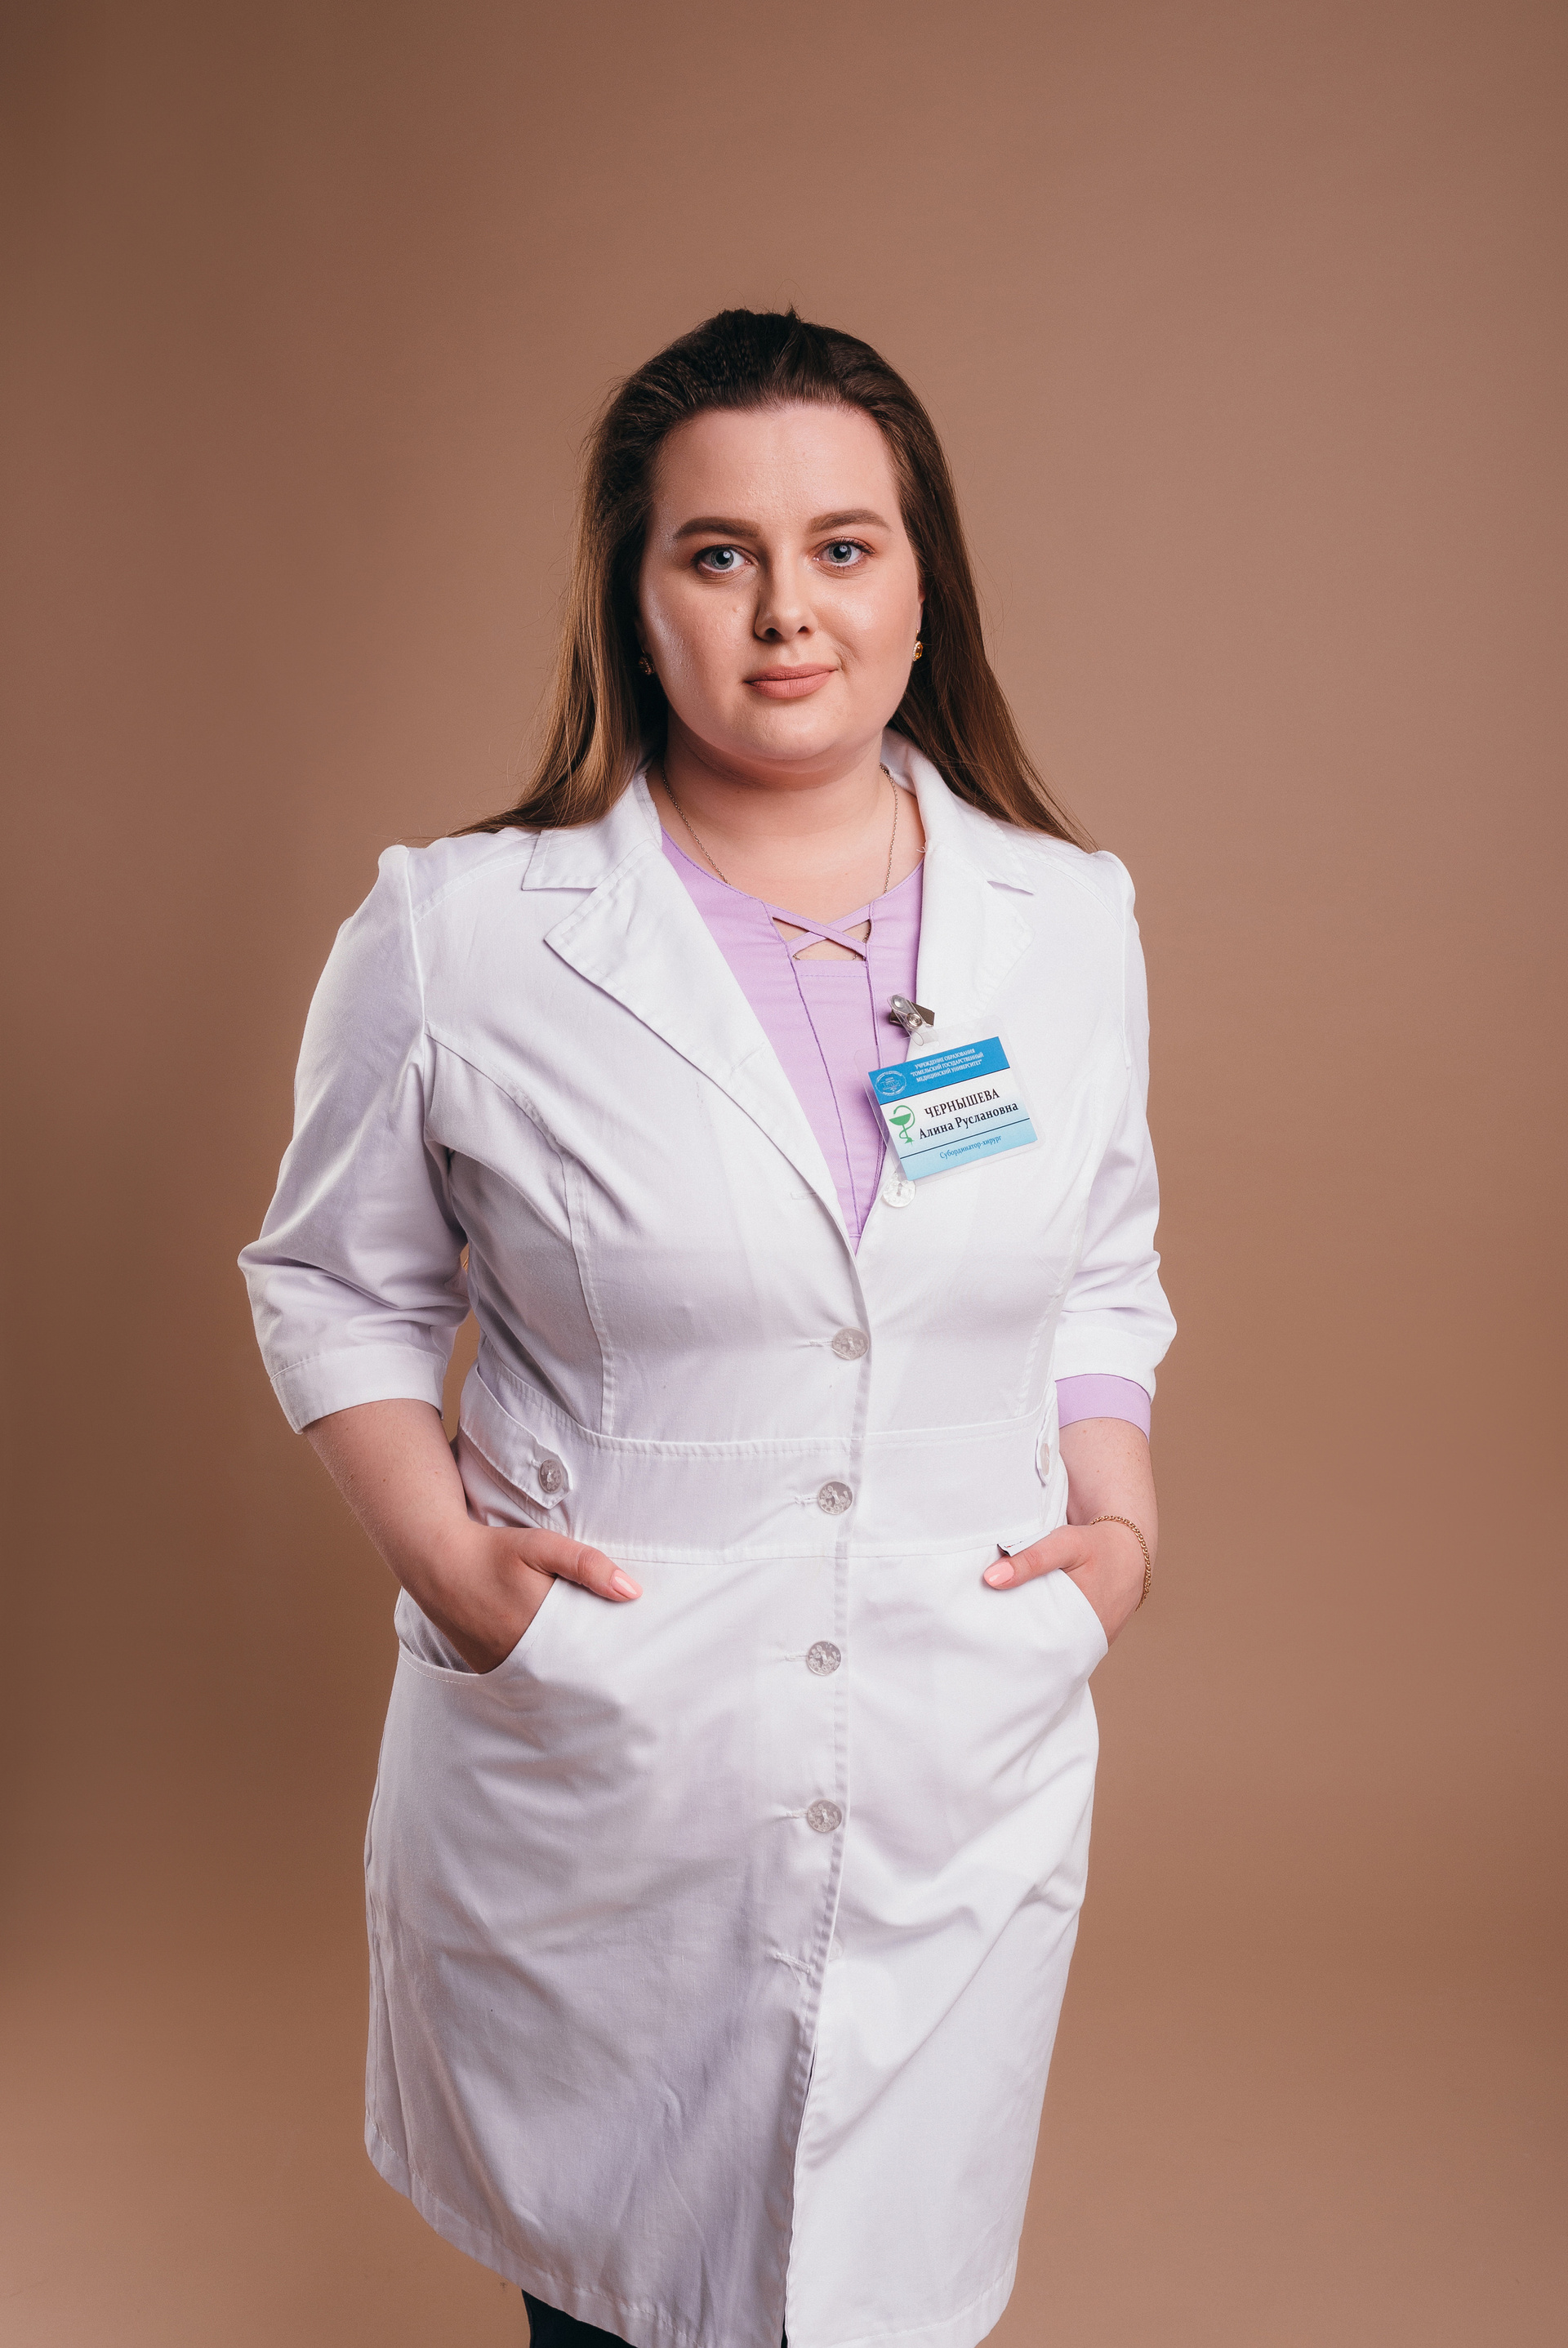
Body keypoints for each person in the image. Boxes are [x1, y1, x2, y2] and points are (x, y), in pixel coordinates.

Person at [240, 307, 1174, 2348]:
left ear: (922, 588)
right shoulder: (463, 931)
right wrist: (453, 1566)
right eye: (718, 552)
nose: (786, 613)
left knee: (891, 2286)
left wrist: (1117, 1524)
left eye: (843, 547)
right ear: (634, 596)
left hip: (958, 1734)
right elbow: (331, 1278)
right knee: (619, 2294)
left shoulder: (1066, 920)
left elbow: (1102, 1256)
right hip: (608, 1747)